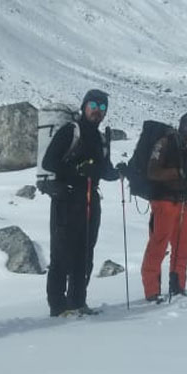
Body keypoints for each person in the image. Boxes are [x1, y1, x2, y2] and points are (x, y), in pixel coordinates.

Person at [43, 89, 119, 317]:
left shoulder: (100, 137)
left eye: (102, 107)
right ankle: (58, 306)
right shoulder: (70, 131)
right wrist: (76, 169)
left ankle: (77, 302)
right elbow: (49, 161)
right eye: (94, 105)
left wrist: (118, 172)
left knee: (85, 253)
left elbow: (103, 171)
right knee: (62, 253)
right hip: (66, 197)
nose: (98, 110)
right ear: (84, 106)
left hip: (89, 198)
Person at [140, 112, 187, 302]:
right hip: (163, 202)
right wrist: (177, 172)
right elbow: (152, 171)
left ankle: (178, 286)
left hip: (183, 203)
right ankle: (152, 291)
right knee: (158, 246)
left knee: (183, 246)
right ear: (183, 127)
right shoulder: (165, 143)